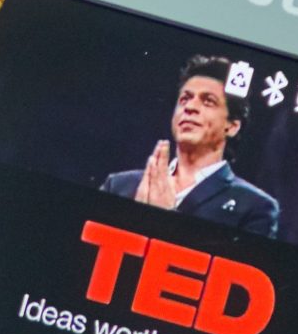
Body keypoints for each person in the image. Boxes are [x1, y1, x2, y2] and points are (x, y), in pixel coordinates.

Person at [100, 54, 280, 237]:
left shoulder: (255, 208)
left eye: (208, 101)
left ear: (232, 126)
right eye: (184, 99)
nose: (190, 107)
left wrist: (165, 218)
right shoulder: (119, 185)